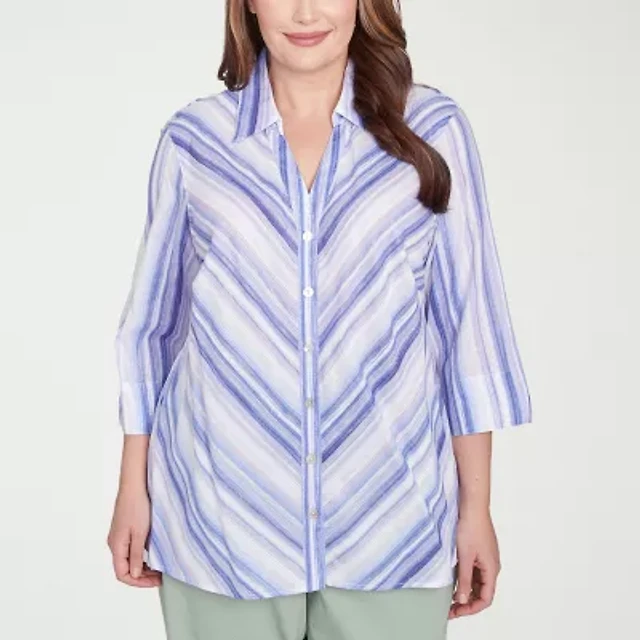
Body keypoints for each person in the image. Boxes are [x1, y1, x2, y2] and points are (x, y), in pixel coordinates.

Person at [107, 0, 533, 638]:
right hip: (222, 522)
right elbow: (153, 328)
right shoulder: (194, 140)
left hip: (390, 523)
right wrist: (131, 489)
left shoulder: (434, 130)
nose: (305, 12)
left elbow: (467, 328)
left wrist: (477, 509)